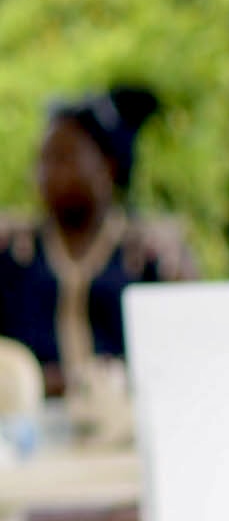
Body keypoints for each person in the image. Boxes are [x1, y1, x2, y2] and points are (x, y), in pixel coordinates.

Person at [0, 85, 192, 394]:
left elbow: (184, 353)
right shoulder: (15, 252)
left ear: (108, 165)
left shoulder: (148, 254)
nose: (46, 174)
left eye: (63, 158)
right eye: (42, 160)